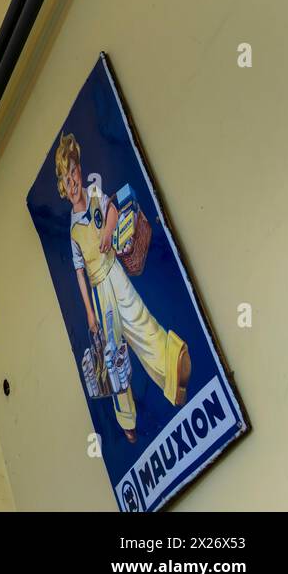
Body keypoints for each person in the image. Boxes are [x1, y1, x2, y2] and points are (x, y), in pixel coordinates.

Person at [55, 132, 191, 442]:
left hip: (114, 272)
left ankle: (172, 369)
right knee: (113, 352)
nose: (73, 180)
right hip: (99, 288)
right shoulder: (73, 229)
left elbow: (113, 209)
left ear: (79, 169)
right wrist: (89, 313)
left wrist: (108, 231)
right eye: (66, 176)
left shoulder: (93, 196)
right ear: (62, 186)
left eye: (74, 170)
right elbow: (79, 273)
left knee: (140, 319)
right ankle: (126, 419)